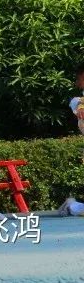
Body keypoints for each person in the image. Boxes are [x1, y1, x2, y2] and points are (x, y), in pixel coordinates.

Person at [59, 66, 84, 217]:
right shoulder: (76, 102)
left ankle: (72, 205)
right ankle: (72, 206)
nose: (77, 83)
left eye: (78, 79)